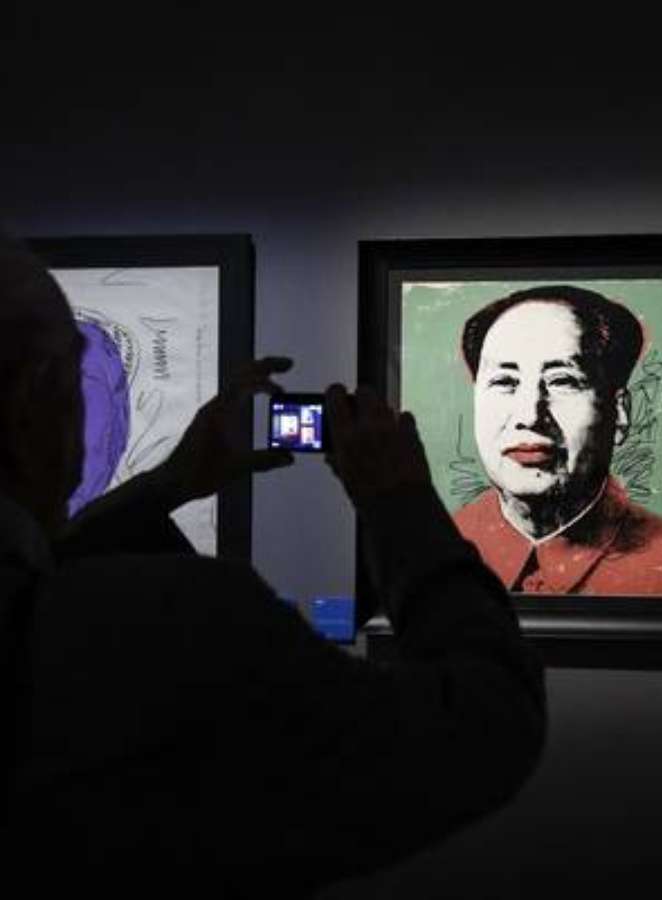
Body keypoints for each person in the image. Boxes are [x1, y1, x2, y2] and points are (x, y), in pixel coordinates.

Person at [0, 236, 545, 894]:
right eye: (74, 384)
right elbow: (485, 730)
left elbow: (47, 575)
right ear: (33, 400)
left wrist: (170, 483)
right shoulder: (184, 624)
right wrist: (400, 503)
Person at [453, 285, 662, 597]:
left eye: (562, 381)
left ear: (619, 412)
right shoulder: (427, 555)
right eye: (505, 381)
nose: (529, 416)